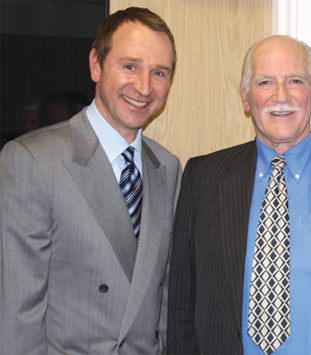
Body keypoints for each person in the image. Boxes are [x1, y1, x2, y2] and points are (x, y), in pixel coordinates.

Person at [168, 35, 311, 355]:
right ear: (245, 97)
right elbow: (181, 304)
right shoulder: (203, 177)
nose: (281, 96)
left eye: (295, 80)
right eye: (265, 82)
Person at [0, 7, 181, 354]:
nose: (144, 87)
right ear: (96, 65)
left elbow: (164, 299)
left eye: (159, 72)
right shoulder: (34, 160)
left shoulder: (167, 168)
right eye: (130, 66)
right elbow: (18, 316)